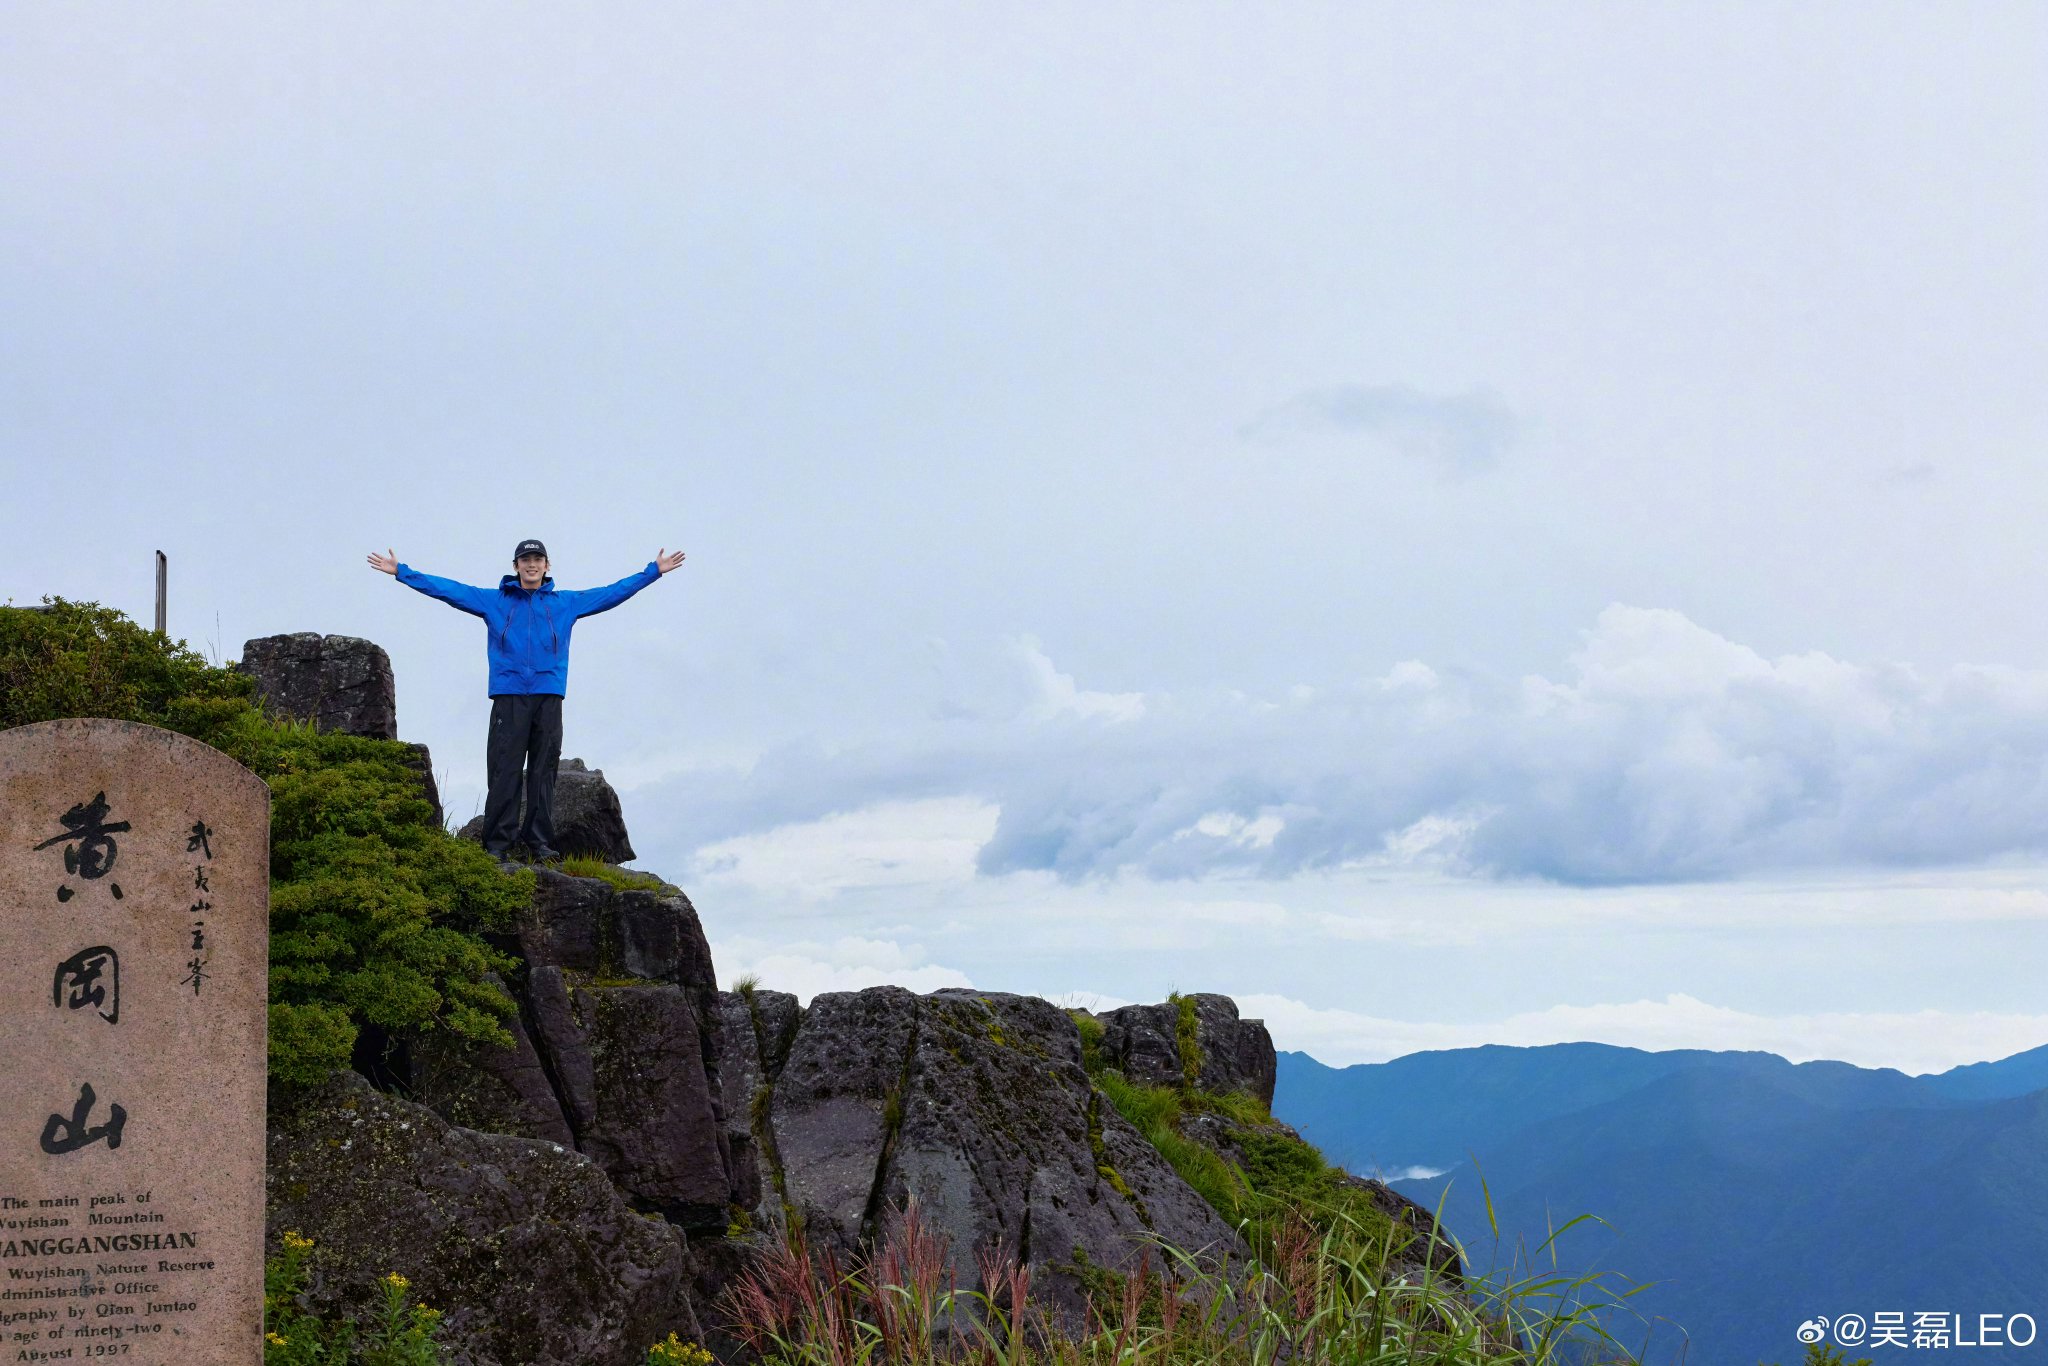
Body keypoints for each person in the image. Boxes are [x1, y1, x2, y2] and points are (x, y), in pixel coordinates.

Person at [367, 538, 685, 861]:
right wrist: (402, 572)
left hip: (548, 697)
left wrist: (652, 572)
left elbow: (612, 592)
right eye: (525, 559)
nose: (531, 564)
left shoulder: (566, 603)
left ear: (547, 566)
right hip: (510, 697)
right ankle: (497, 846)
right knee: (505, 771)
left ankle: (540, 843)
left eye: (537, 559)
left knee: (543, 772)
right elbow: (449, 590)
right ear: (516, 566)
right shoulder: (495, 602)